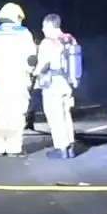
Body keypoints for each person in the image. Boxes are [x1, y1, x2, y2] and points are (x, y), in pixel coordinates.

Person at [0, 3, 37, 156]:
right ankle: (13, 148)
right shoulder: (23, 33)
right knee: (16, 112)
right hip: (18, 79)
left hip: (0, 79)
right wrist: (30, 72)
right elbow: (31, 58)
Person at [34, 13, 82, 159]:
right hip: (67, 83)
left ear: (49, 25)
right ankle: (71, 147)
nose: (42, 30)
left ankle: (61, 149)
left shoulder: (47, 42)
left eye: (43, 27)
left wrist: (34, 72)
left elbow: (43, 64)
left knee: (55, 116)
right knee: (66, 115)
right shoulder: (69, 39)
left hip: (53, 84)